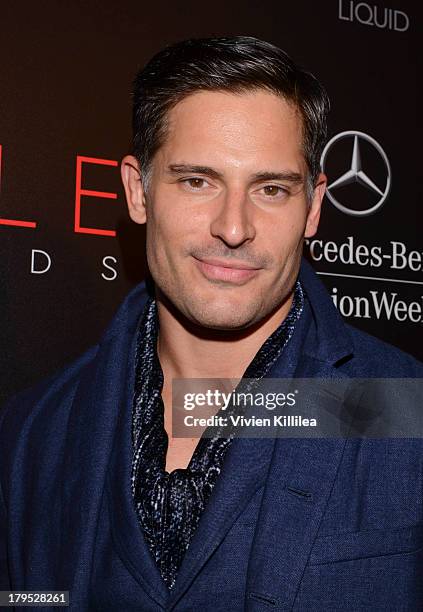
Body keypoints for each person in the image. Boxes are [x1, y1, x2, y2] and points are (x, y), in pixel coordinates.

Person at [1, 36, 422, 611]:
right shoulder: (32, 432)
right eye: (197, 181)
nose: (233, 227)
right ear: (137, 190)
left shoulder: (406, 409)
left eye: (271, 189)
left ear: (314, 208)